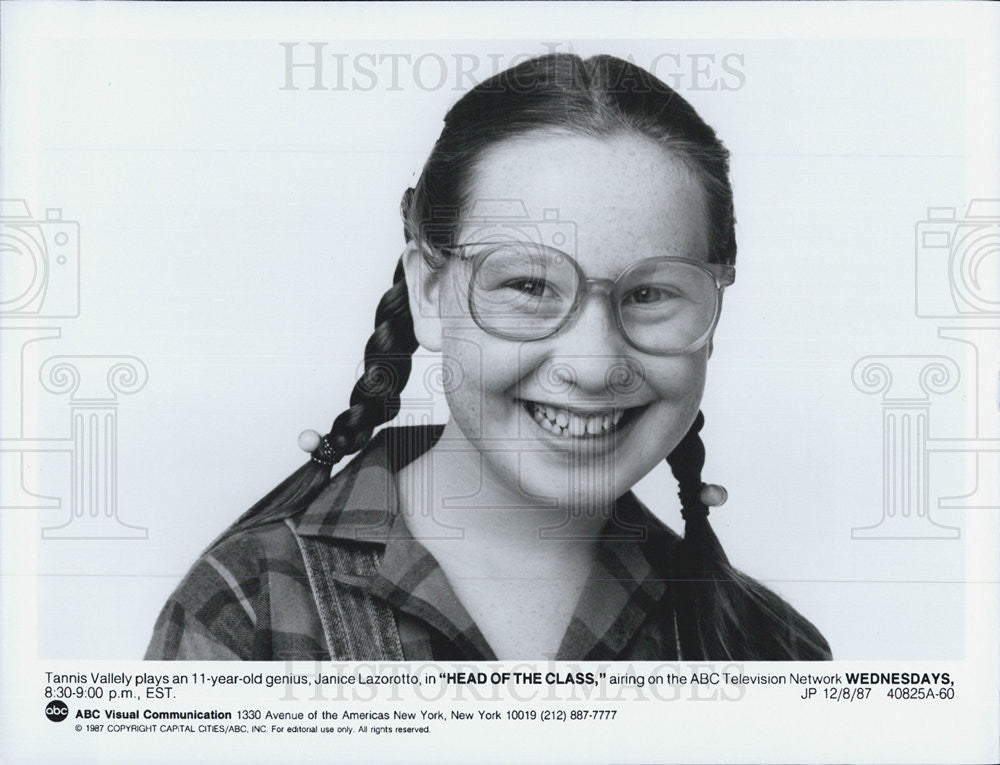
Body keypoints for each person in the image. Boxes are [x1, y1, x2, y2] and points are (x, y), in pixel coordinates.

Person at [145, 53, 831, 662]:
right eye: (529, 286)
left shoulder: (774, 649)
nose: (593, 363)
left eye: (650, 293)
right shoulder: (247, 613)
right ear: (431, 290)